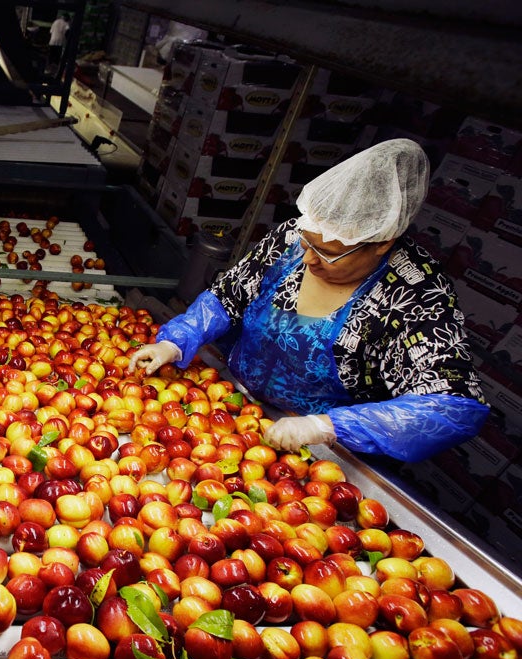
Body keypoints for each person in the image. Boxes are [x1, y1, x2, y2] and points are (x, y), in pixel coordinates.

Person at [130, 139, 489, 462]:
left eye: (329, 253)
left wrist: (324, 427)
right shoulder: (291, 239)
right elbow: (229, 296)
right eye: (307, 243)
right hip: (232, 408)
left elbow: (452, 406)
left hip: (319, 454)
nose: (308, 260)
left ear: (382, 242)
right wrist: (176, 342)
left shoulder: (416, 295)